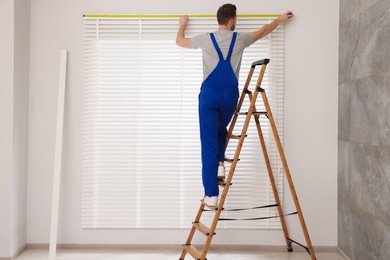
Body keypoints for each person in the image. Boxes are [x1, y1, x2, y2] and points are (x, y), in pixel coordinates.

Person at [176, 4, 293, 207]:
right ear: (232, 21)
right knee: (221, 130)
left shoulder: (205, 38)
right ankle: (220, 164)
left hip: (209, 95)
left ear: (220, 20)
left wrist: (182, 24)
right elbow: (263, 31)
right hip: (230, 95)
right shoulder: (240, 39)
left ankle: (211, 194)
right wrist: (279, 20)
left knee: (208, 141)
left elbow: (180, 41)